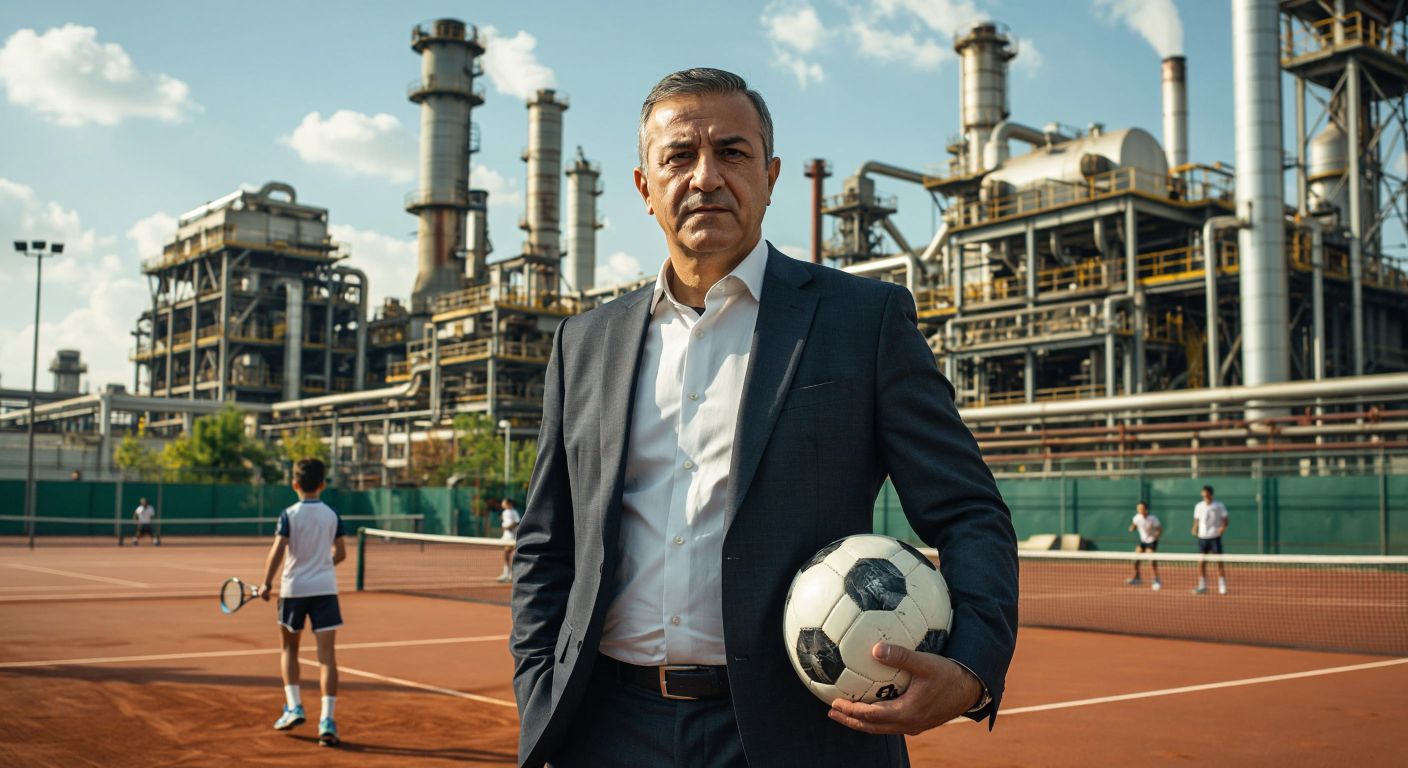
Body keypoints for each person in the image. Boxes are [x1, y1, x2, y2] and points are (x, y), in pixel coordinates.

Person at [509, 68, 1018, 768]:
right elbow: (546, 540)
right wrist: (538, 680)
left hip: (802, 732)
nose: (707, 177)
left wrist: (972, 665)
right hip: (605, 727)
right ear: (643, 187)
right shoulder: (584, 343)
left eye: (734, 152)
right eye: (679, 156)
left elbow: (968, 511)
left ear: (772, 175)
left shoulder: (862, 322)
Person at [260, 458, 345, 747]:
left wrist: (266, 583)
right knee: (327, 658)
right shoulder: (332, 515)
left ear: (294, 484)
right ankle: (327, 721)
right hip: (325, 590)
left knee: (288, 649)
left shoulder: (289, 514)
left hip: (293, 590)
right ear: (323, 484)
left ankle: (294, 706)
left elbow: (276, 551)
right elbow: (341, 553)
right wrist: (323, 564)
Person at [1191, 485, 1229, 595]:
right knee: (1201, 563)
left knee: (1219, 562)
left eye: (1207, 495)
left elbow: (1225, 519)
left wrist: (1223, 528)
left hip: (1214, 537)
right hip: (1202, 538)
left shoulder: (1219, 506)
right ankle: (1202, 586)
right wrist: (1194, 528)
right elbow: (1196, 520)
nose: (1205, 497)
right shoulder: (1198, 506)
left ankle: (1222, 586)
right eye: (1203, 495)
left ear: (1211, 495)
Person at [1126, 501, 1162, 590]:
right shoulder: (1136, 518)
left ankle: (1156, 580)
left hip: (1152, 541)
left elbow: (1159, 529)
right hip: (1142, 541)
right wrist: (1132, 528)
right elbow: (1134, 525)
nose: (1139, 510)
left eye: (1141, 508)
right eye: (1138, 508)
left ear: (1145, 509)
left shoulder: (1153, 518)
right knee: (1135, 559)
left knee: (1151, 561)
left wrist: (1156, 536)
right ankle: (1137, 578)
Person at [498, 498, 521, 583]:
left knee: (508, 554)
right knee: (506, 555)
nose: (502, 503)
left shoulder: (514, 512)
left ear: (509, 504)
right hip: (506, 536)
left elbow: (517, 522)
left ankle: (510, 575)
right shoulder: (504, 512)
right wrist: (504, 527)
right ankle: (506, 574)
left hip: (511, 536)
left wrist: (509, 527)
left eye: (504, 502)